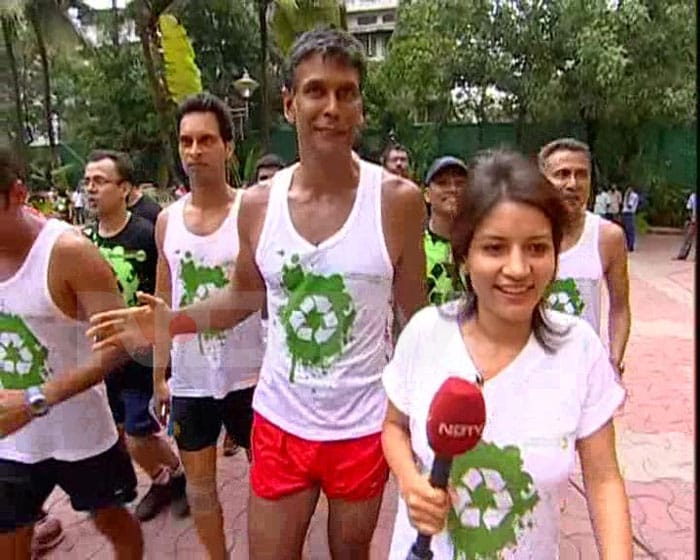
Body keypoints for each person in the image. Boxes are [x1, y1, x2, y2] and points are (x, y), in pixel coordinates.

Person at [87, 27, 427, 560]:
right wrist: (168, 323)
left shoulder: (398, 201)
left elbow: (417, 319)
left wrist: (420, 416)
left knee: (351, 553)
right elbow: (241, 299)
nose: (332, 106)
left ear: (361, 105)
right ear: (290, 104)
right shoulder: (259, 205)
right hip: (280, 420)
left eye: (346, 92)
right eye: (316, 91)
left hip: (363, 425)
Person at [382, 148, 633, 559]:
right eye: (495, 248)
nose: (517, 269)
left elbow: (604, 479)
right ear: (464, 257)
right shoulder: (425, 334)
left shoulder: (579, 349)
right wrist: (411, 482)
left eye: (536, 248)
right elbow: (394, 426)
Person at [0, 147, 144, 559]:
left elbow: (121, 342)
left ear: (17, 194)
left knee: (113, 523)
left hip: (80, 434)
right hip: (10, 442)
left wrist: (35, 399)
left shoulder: (69, 252)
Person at [151, 93, 264, 558]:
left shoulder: (253, 214)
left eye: (206, 140)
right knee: (200, 489)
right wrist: (160, 374)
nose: (194, 151)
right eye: (186, 141)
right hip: (192, 381)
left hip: (253, 374)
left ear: (228, 147)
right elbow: (160, 302)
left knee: (270, 486)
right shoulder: (166, 222)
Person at [82, 150, 188, 522]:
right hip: (103, 355)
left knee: (139, 435)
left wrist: (160, 353)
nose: (91, 190)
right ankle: (165, 480)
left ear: (124, 188)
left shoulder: (146, 234)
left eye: (100, 181)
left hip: (142, 353)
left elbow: (164, 296)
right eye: (88, 182)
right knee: (121, 431)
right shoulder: (83, 241)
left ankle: (179, 476)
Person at [539, 138, 630, 377]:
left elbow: (620, 307)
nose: (573, 183)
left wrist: (614, 361)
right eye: (562, 174)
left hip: (586, 372)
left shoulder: (608, 237)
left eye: (581, 174)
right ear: (543, 181)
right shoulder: (524, 233)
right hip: (534, 372)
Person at [423, 156, 468, 305]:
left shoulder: (481, 246)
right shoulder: (414, 247)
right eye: (442, 183)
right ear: (427, 195)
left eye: (460, 183)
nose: (452, 189)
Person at [675, 191, 696, 260]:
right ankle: (682, 255)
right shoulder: (693, 196)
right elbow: (689, 208)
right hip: (694, 220)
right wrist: (690, 218)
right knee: (688, 238)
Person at [620, 184, 640, 252]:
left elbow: (629, 205)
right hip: (624, 213)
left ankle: (631, 245)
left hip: (629, 213)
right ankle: (626, 245)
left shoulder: (633, 195)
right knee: (624, 230)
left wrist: (627, 197)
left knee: (630, 230)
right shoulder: (626, 194)